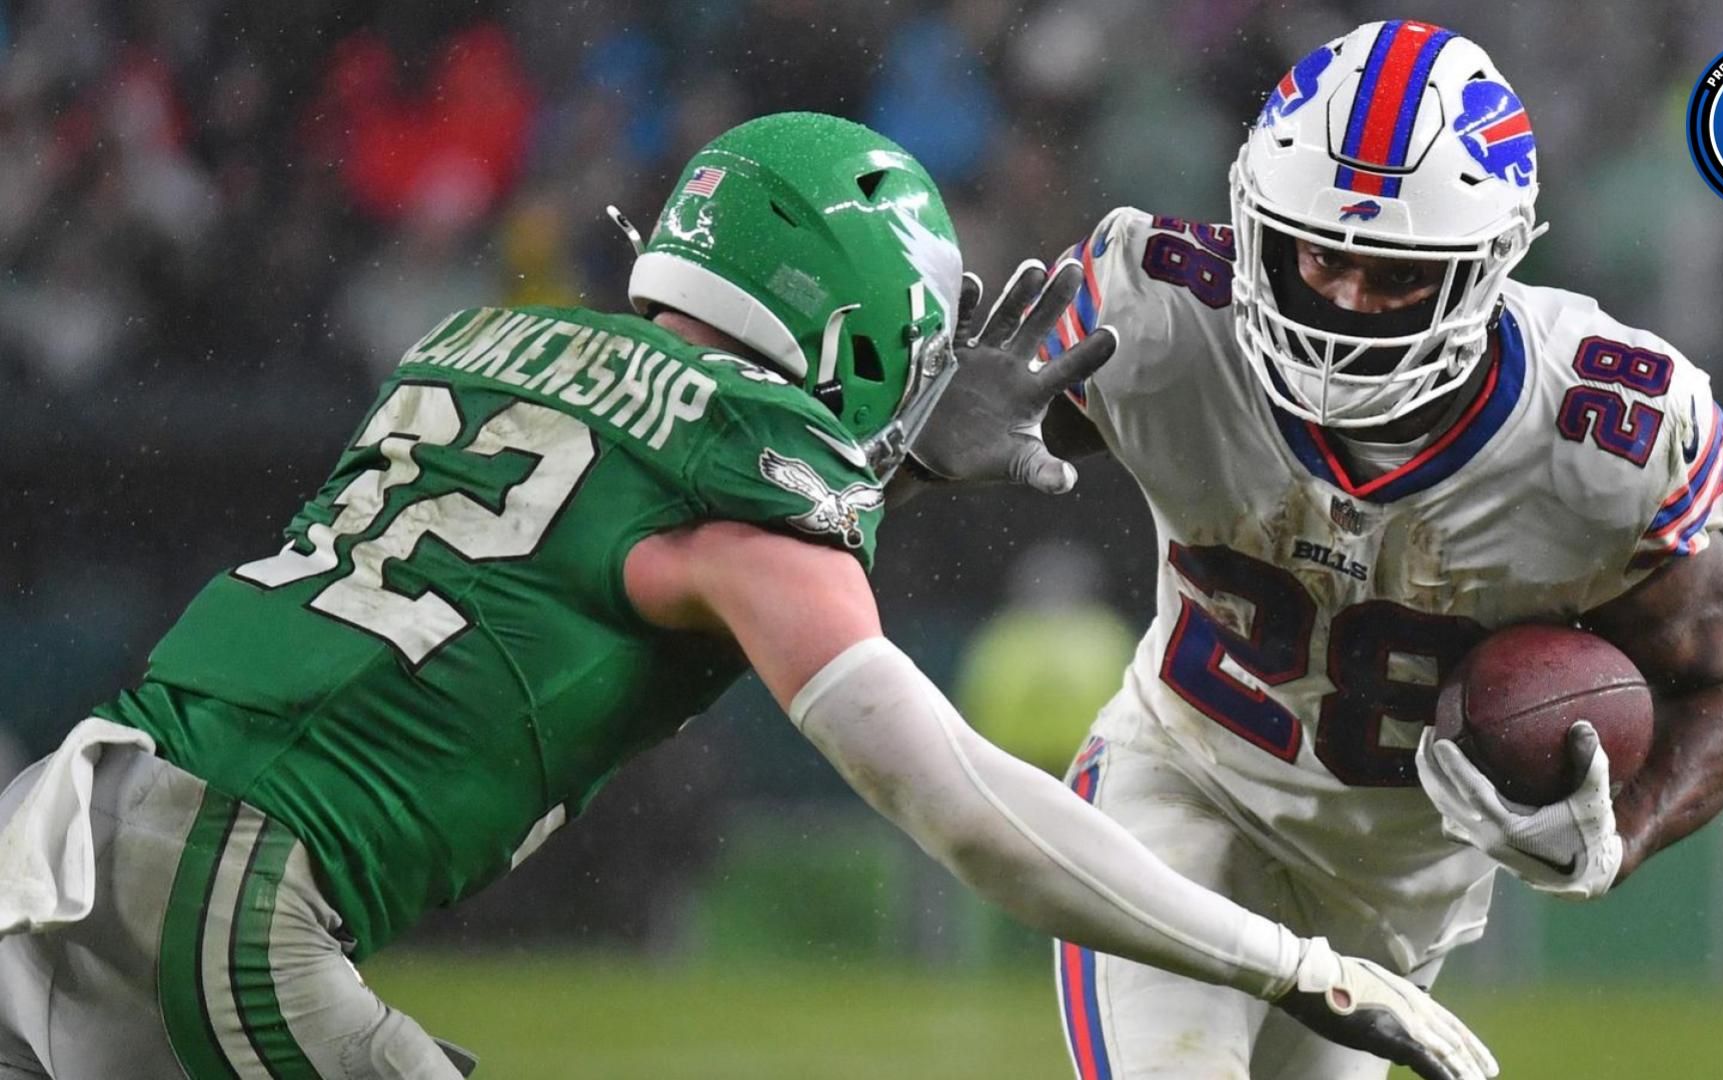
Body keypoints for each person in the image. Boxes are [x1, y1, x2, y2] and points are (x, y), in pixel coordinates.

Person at [0, 113, 1494, 1080]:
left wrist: (884, 485)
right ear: (854, 328)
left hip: (73, 819)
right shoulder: (739, 489)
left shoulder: (476, 348)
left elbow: (597, 540)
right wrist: (1303, 969)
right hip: (233, 898)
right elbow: (965, 806)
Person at [910, 21, 1723, 1080]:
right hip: (1180, 794)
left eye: (1396, 274)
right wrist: (914, 439)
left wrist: (1619, 833)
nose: (1348, 306)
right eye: (1320, 255)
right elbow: (911, 458)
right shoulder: (1166, 315)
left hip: (1398, 904)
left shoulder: (1599, 438)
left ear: (1491, 264)